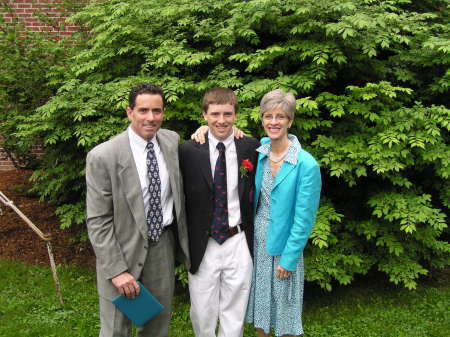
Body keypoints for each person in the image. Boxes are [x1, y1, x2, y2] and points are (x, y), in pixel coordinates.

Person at [86, 83, 190, 337]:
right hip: (121, 249)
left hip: (161, 246)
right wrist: (117, 270)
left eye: (157, 111)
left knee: (156, 326)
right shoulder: (104, 156)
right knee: (115, 329)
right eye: (143, 110)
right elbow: (98, 221)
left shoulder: (172, 141)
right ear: (129, 112)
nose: (151, 118)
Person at [179, 87, 259, 337]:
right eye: (214, 114)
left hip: (238, 239)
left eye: (227, 114)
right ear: (204, 115)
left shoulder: (250, 147)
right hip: (204, 241)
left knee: (235, 310)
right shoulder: (189, 150)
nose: (221, 120)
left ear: (236, 115)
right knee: (202, 311)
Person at [245, 89, 321, 337]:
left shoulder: (306, 164)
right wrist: (202, 129)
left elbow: (304, 219)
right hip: (257, 242)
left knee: (285, 312)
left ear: (290, 121)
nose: (274, 122)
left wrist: (289, 258)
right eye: (268, 116)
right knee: (260, 311)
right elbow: (229, 136)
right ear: (262, 118)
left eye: (280, 117)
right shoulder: (260, 152)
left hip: (285, 246)